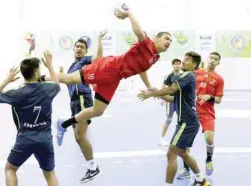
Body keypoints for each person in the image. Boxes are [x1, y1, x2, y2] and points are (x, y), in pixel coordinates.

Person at [40, 4, 172, 142]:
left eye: (171, 41)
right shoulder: (147, 44)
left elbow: (142, 69)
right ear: (157, 38)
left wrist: (149, 86)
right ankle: (41, 78)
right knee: (68, 79)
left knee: (98, 111)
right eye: (166, 38)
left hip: (115, 79)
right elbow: (139, 32)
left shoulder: (155, 57)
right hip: (108, 68)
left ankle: (63, 124)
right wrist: (129, 14)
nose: (169, 42)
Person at [138, 51, 210, 186]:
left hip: (187, 122)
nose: (184, 61)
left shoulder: (187, 75)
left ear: (194, 64)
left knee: (171, 153)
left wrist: (151, 93)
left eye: (187, 59)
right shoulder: (188, 77)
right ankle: (201, 180)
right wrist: (156, 93)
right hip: (190, 121)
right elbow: (172, 98)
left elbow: (171, 90)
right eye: (184, 58)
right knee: (182, 152)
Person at [0, 51, 60, 186]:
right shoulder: (47, 89)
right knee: (50, 174)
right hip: (45, 139)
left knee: (10, 169)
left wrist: (7, 79)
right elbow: (57, 84)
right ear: (35, 74)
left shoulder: (16, 93)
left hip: (25, 140)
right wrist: (50, 65)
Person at [57, 30, 108, 183]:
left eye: (82, 47)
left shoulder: (85, 60)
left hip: (82, 99)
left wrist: (99, 38)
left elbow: (99, 59)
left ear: (86, 51)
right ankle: (92, 167)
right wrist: (60, 74)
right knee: (78, 137)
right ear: (73, 49)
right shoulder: (72, 66)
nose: (79, 49)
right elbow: (66, 82)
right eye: (77, 46)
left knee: (80, 135)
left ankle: (93, 168)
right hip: (74, 102)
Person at [177, 52, 224, 179]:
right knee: (186, 143)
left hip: (207, 113)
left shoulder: (219, 79)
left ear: (218, 63)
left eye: (216, 59)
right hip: (192, 112)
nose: (213, 60)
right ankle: (186, 169)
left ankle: (208, 160)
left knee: (209, 139)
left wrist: (210, 97)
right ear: (207, 59)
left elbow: (219, 99)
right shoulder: (195, 73)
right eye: (211, 58)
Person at [158, 59, 182, 146]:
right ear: (172, 65)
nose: (177, 66)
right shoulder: (168, 76)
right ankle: (161, 138)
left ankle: (179, 139)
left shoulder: (183, 75)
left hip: (180, 100)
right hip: (171, 101)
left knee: (182, 120)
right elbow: (163, 88)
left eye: (179, 64)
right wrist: (163, 98)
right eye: (175, 64)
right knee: (169, 119)